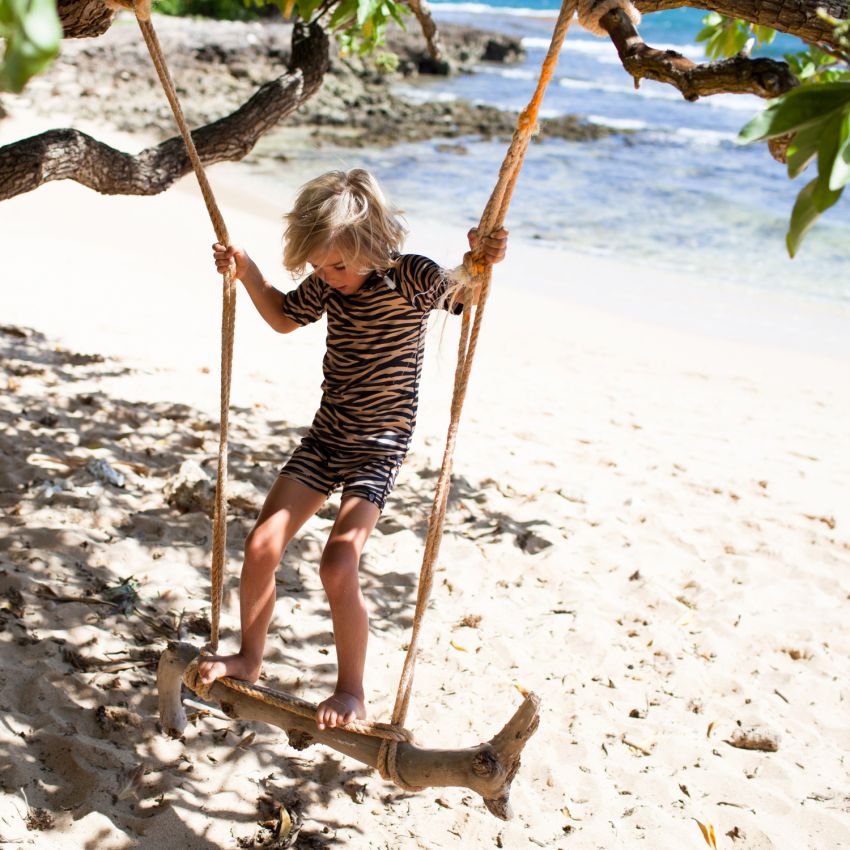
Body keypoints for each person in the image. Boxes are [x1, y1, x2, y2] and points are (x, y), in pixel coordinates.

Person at [197, 169, 508, 731]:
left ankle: (351, 691)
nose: (329, 277)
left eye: (336, 265)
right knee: (262, 543)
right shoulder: (328, 283)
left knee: (338, 561)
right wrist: (247, 272)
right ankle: (249, 655)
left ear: (371, 244)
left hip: (378, 445)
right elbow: (284, 317)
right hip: (328, 434)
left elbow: (463, 292)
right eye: (318, 267)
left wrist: (481, 261)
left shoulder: (408, 276)